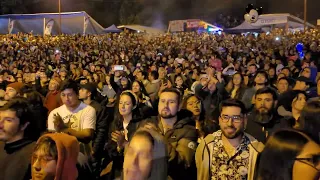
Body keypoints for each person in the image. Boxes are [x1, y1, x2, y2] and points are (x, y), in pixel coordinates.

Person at [196, 99, 263, 180]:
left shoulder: (256, 150)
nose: (230, 123)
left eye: (236, 118)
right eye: (225, 117)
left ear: (244, 120)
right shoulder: (207, 146)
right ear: (220, 120)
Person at [140, 88, 198, 180]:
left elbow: (183, 164)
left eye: (171, 102)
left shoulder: (188, 130)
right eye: (162, 101)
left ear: (179, 107)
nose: (165, 105)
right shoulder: (147, 123)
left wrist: (160, 139)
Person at [47, 79, 96, 156]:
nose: (66, 99)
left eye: (70, 95)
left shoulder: (88, 110)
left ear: (77, 95)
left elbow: (87, 134)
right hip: (60, 155)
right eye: (63, 95)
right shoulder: (55, 113)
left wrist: (65, 130)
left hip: (80, 155)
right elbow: (51, 137)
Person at [0, 98, 40, 180]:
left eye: (8, 120)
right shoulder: (1, 145)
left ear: (24, 125)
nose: (0, 125)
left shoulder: (34, 154)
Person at [78, 82, 109, 173]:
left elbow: (101, 130)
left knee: (91, 172)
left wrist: (95, 149)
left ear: (89, 93)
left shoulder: (98, 108)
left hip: (91, 146)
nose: (79, 91)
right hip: (79, 146)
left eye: (82, 90)